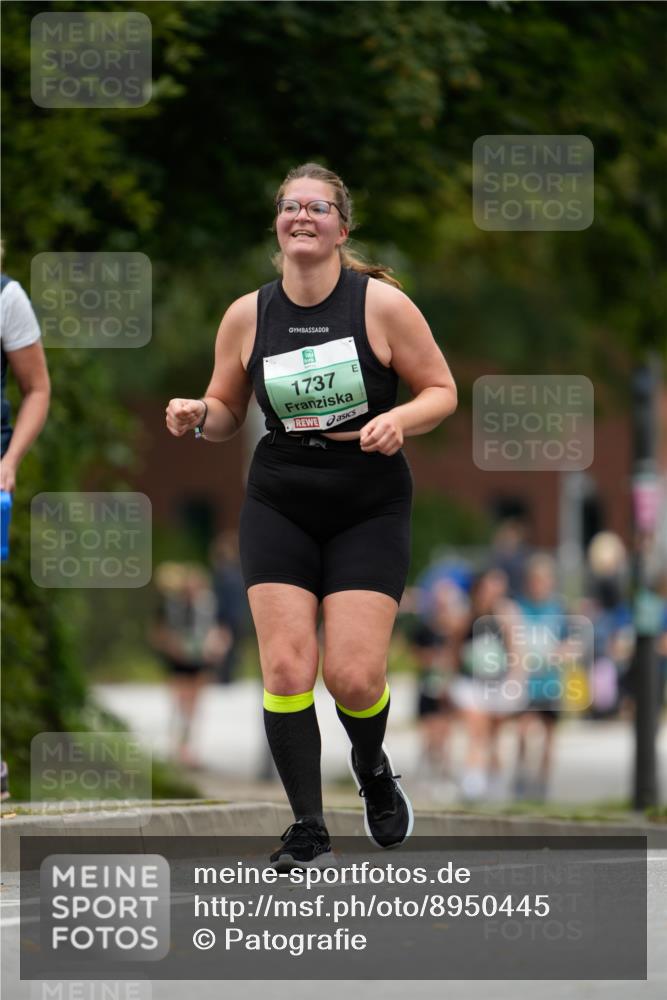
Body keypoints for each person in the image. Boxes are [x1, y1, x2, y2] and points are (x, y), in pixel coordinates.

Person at [166, 163, 457, 869]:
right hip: (281, 494)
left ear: (340, 228)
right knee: (287, 667)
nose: (303, 216)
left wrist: (400, 420)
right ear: (277, 224)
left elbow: (441, 390)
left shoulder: (380, 305)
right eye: (290, 206)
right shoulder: (248, 313)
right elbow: (230, 408)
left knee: (354, 678)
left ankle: (371, 766)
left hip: (367, 496)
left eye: (318, 208)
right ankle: (306, 824)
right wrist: (200, 415)